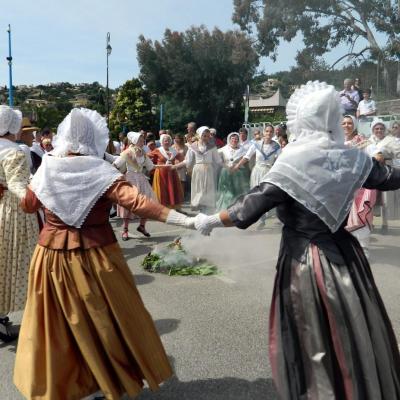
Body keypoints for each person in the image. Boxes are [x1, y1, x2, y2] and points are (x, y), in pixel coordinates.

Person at [193, 81, 400, 399]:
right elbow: (389, 178)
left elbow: (253, 204)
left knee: (312, 333)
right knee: (354, 326)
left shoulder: (295, 157)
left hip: (305, 259)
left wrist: (210, 220)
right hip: (346, 254)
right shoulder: (354, 157)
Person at [12, 108, 196, 400]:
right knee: (106, 321)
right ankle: (103, 382)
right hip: (97, 256)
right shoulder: (101, 170)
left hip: (51, 257)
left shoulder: (47, 166)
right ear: (94, 138)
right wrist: (187, 221)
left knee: (57, 325)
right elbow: (138, 202)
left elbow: (29, 205)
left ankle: (68, 385)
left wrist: (17, 186)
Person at [0, 105, 39, 342]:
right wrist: (38, 199)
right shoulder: (15, 151)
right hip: (15, 213)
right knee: (23, 264)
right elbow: (19, 187)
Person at [234, 124, 281, 228]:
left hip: (269, 173)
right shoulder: (256, 144)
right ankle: (261, 219)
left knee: (268, 195)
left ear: (273, 133)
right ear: (263, 132)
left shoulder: (276, 146)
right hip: (257, 172)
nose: (268, 133)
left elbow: (280, 160)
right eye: (267, 131)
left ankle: (269, 215)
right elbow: (247, 157)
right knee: (256, 195)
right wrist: (237, 165)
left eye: (270, 131)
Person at [342, 115, 376, 256]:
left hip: (359, 185)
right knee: (343, 218)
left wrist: (378, 155)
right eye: (343, 123)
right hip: (341, 186)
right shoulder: (336, 141)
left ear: (354, 125)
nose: (346, 125)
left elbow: (373, 153)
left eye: (349, 123)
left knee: (360, 215)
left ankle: (363, 248)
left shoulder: (362, 141)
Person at [114, 131, 156, 239]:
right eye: (140, 140)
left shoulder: (143, 153)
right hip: (130, 179)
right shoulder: (127, 153)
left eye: (143, 140)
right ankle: (125, 230)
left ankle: (142, 226)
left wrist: (165, 166)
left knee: (147, 203)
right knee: (128, 205)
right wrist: (119, 176)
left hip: (141, 179)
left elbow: (151, 166)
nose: (143, 142)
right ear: (134, 141)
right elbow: (116, 165)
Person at [174, 126, 222, 212]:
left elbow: (218, 160)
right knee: (199, 189)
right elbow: (187, 160)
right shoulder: (193, 146)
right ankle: (200, 208)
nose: (206, 138)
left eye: (208, 136)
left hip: (208, 169)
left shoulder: (212, 146)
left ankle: (207, 209)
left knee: (208, 189)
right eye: (204, 135)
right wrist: (176, 166)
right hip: (198, 169)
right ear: (199, 135)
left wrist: (228, 167)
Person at [148, 133, 184, 208]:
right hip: (161, 173)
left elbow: (182, 159)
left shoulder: (174, 150)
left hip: (172, 173)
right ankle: (161, 207)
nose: (167, 142)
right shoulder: (158, 150)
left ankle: (173, 207)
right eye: (165, 141)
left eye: (168, 140)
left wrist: (177, 165)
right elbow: (147, 157)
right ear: (161, 141)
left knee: (172, 189)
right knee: (162, 189)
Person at [216, 132, 249, 210]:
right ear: (229, 140)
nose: (234, 140)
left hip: (239, 173)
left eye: (236, 139)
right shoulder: (223, 149)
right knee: (226, 190)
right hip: (226, 172)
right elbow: (217, 159)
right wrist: (225, 165)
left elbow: (246, 160)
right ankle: (225, 207)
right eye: (233, 139)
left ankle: (237, 207)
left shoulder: (243, 149)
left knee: (238, 190)